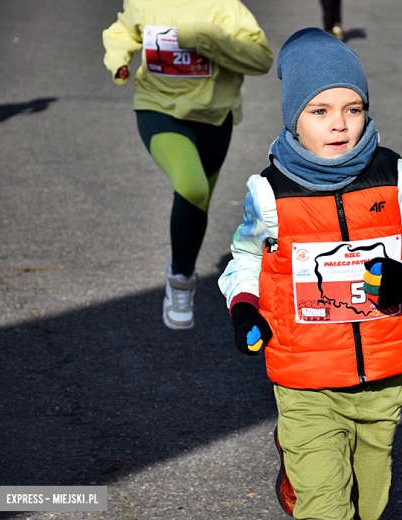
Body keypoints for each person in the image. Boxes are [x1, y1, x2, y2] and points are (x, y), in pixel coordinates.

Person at [218, 28, 402, 519]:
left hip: (382, 374)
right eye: (320, 111)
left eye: (352, 109)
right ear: (294, 118)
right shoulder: (268, 194)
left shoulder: (400, 179)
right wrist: (244, 305)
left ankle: (297, 464)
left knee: (367, 505)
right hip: (303, 378)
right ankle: (301, 457)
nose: (339, 125)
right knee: (326, 508)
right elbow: (244, 259)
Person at [102, 0, 273, 330]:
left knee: (199, 201)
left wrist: (204, 39)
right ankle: (181, 281)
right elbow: (122, 31)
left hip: (213, 116)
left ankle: (182, 268)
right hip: (157, 107)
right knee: (192, 186)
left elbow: (261, 58)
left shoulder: (225, 7)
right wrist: (118, 59)